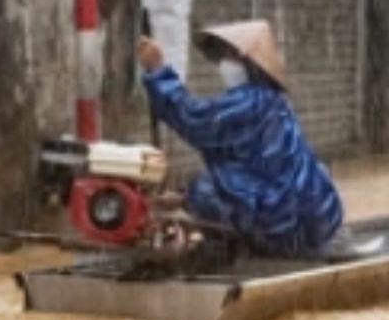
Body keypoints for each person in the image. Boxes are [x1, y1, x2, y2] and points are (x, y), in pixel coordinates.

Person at [137, 20, 344, 258]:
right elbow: (246, 170)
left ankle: (252, 248)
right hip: (314, 218)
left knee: (204, 191)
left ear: (249, 63)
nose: (225, 63)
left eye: (232, 56)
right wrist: (182, 198)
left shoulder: (249, 104)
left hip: (284, 225)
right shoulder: (272, 101)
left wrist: (158, 71)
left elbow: (191, 119)